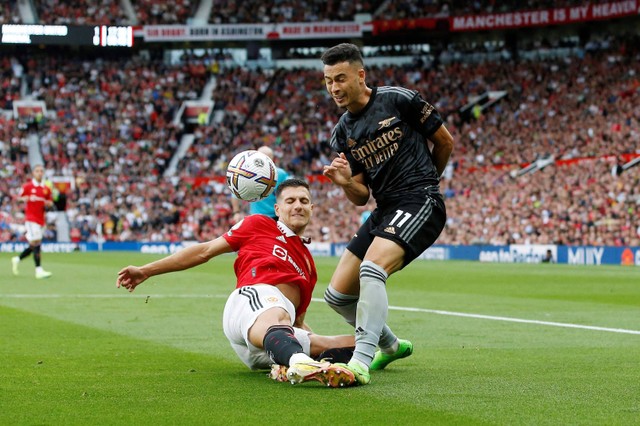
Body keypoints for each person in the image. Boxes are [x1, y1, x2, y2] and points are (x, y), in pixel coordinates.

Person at [116, 178, 356, 387]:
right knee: (276, 312)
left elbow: (299, 321)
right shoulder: (259, 224)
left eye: (303, 201)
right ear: (277, 208)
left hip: (270, 341)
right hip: (251, 302)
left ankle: (296, 361)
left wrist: (322, 344)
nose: (297, 206)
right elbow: (205, 251)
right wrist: (146, 271)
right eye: (290, 201)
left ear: (312, 208)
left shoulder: (308, 265)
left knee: (349, 343)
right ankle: (299, 362)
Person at [320, 43, 455, 385]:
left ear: (360, 75)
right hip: (383, 209)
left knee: (372, 268)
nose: (334, 88)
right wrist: (344, 182)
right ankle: (391, 346)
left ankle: (361, 361)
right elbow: (360, 196)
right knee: (336, 296)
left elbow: (445, 142)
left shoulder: (398, 99)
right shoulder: (343, 132)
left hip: (419, 198)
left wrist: (427, 184)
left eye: (340, 78)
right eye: (328, 81)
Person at [11, 164, 54, 279]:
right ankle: (38, 270)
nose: (39, 173)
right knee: (37, 242)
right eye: (37, 171)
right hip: (31, 219)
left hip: (41, 220)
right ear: (33, 173)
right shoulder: (28, 187)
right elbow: (17, 198)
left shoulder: (46, 189)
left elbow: (50, 202)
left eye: (41, 171)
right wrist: (22, 199)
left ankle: (17, 259)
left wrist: (49, 204)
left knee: (33, 245)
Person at [231, 146, 290, 221]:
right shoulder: (249, 174)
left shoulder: (281, 174)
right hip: (257, 217)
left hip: (278, 216)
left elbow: (291, 190)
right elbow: (235, 193)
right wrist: (236, 212)